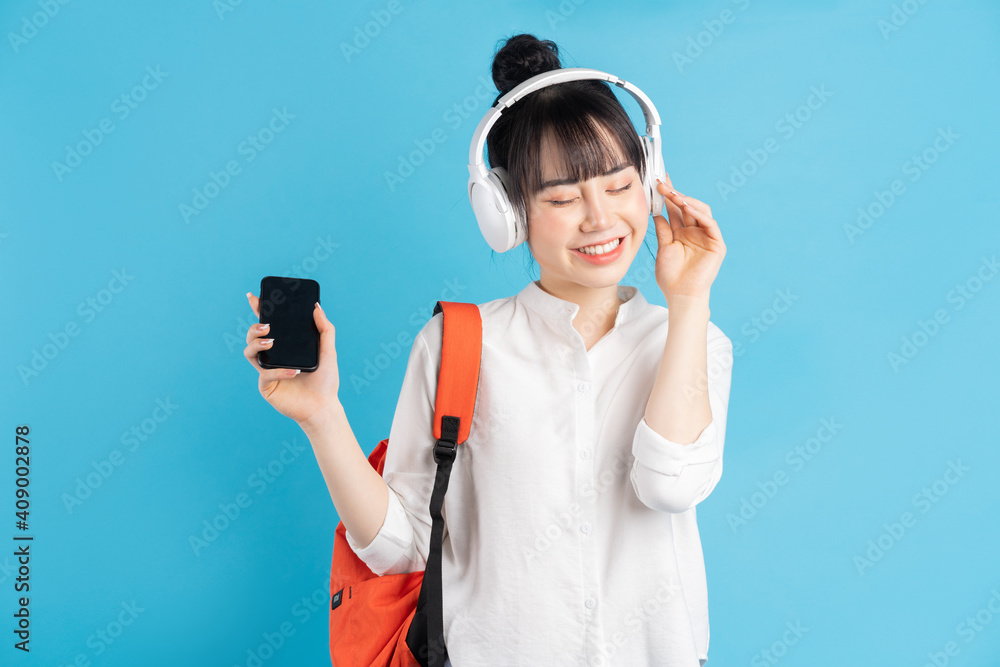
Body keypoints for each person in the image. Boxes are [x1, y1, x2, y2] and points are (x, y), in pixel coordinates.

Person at [243, 32, 732, 667]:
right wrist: (321, 416)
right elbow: (401, 548)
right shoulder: (457, 344)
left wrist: (690, 301)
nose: (599, 219)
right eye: (561, 198)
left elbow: (671, 484)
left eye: (618, 186)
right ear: (506, 209)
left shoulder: (695, 342)